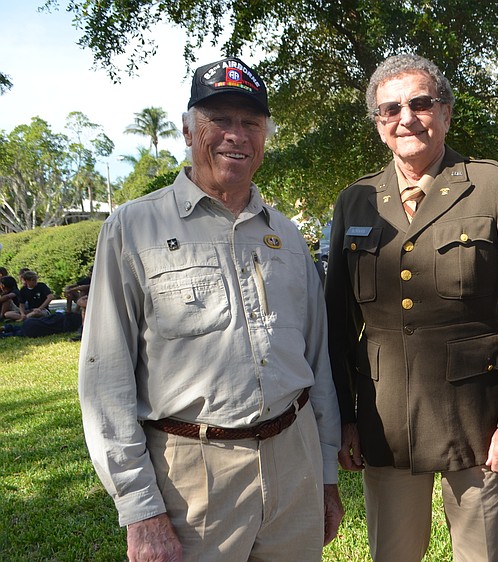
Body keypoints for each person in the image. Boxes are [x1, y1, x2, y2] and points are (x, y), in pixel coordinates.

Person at [79, 57, 342, 561]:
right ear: (187, 129)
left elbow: (318, 363)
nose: (235, 136)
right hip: (191, 478)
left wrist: (325, 476)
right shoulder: (133, 229)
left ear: (264, 136)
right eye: (219, 120)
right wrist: (141, 510)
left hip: (295, 462)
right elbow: (105, 380)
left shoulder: (287, 235)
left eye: (250, 123)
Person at [325, 53, 498, 562]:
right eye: (391, 110)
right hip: (383, 417)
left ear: (446, 113)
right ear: (380, 125)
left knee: (480, 555)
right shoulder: (355, 201)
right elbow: (337, 324)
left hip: (478, 417)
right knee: (393, 554)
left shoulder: (494, 188)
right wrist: (343, 417)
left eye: (421, 103)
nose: (406, 118)